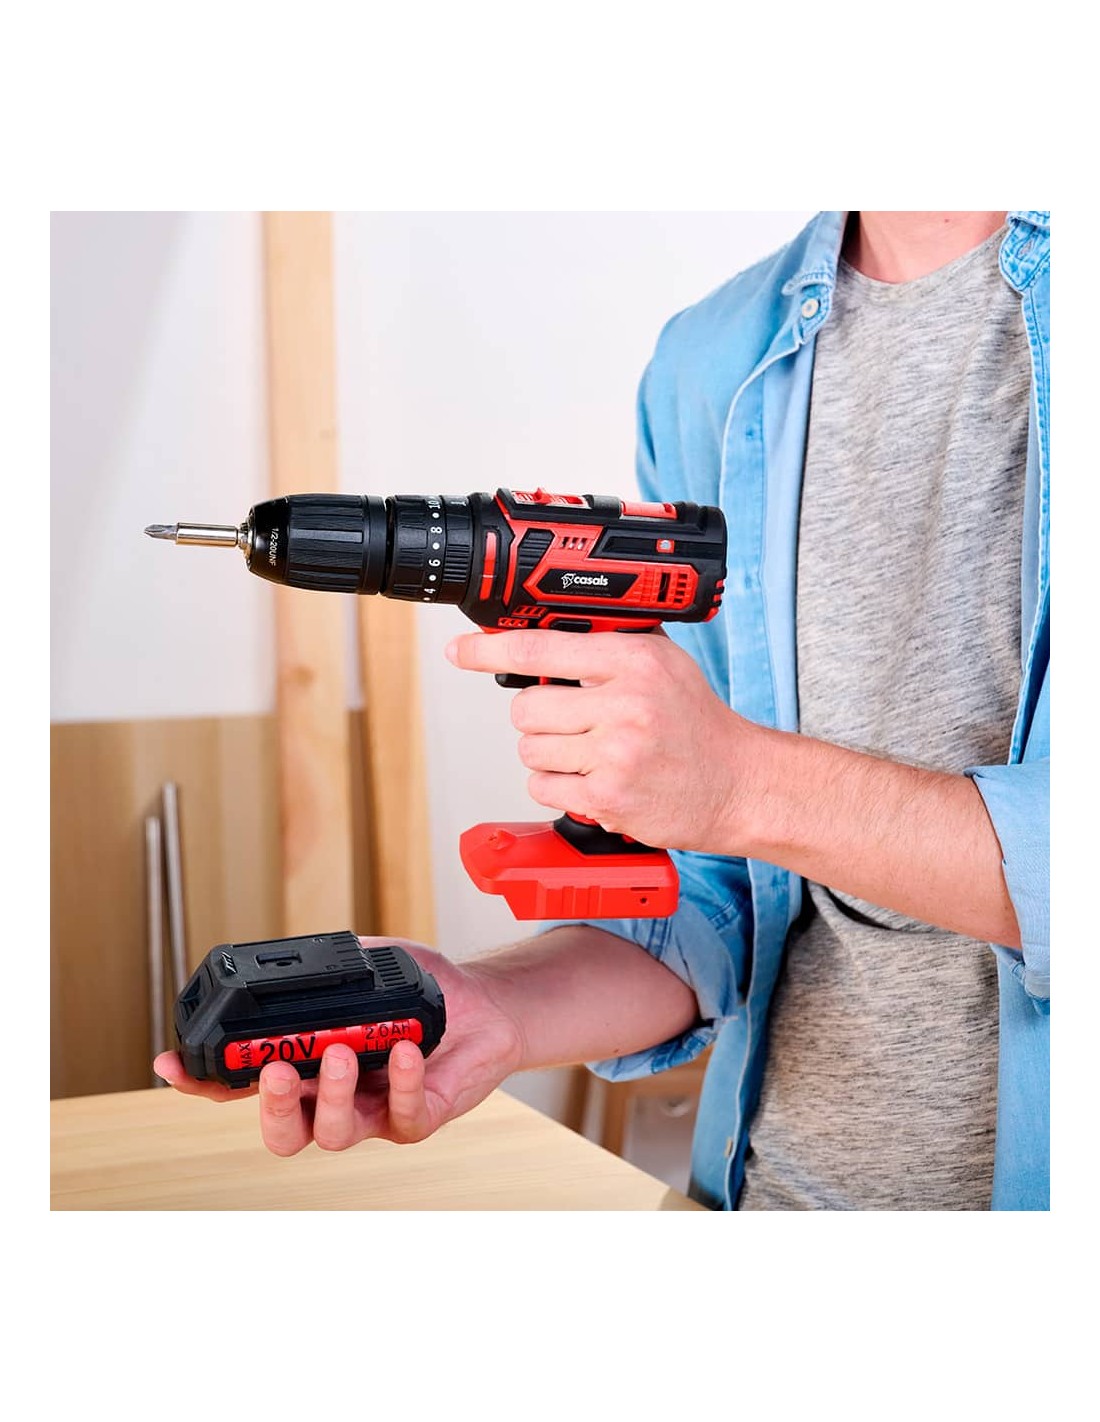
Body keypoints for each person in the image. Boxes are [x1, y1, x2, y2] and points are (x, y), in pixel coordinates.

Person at [155, 210, 1050, 1211]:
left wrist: (738, 783)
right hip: (761, 1197)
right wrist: (494, 1005)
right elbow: (721, 896)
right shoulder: (715, 360)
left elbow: (741, 797)